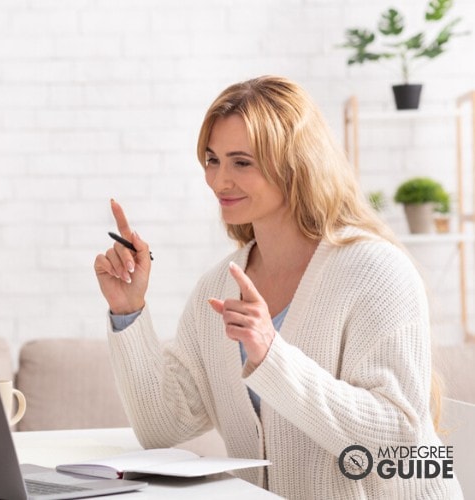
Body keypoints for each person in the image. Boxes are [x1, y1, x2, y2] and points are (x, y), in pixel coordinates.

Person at [94, 75, 463, 499]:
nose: (218, 181)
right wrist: (129, 312)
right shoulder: (218, 285)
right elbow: (164, 426)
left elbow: (397, 438)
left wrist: (274, 357)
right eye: (212, 160)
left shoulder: (376, 271)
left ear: (295, 165)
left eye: (241, 162)